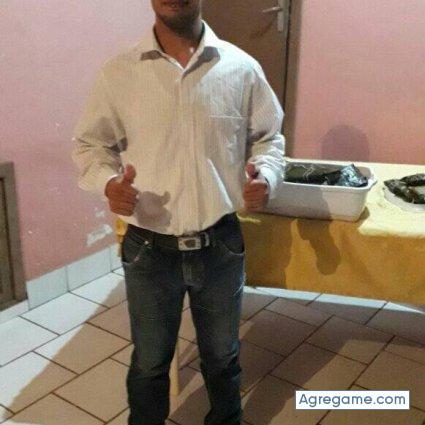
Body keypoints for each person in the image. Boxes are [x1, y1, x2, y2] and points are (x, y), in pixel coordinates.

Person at [71, 1, 285, 423]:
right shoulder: (119, 73)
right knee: (150, 363)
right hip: (149, 250)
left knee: (223, 358)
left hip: (220, 244)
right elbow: (90, 145)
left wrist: (268, 175)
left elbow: (269, 138)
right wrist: (108, 183)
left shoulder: (241, 68)